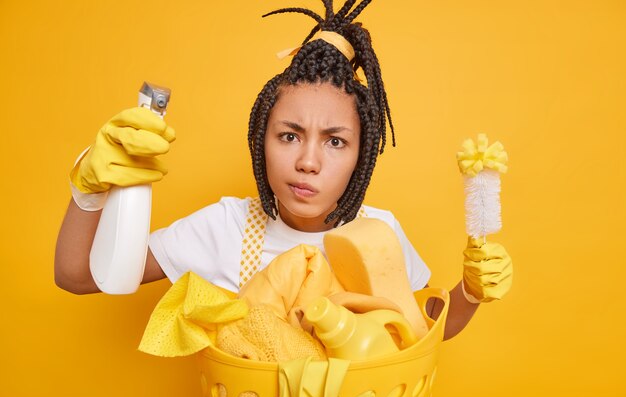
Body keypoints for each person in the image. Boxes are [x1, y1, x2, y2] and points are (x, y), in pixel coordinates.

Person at [54, 0, 512, 340]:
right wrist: (89, 191)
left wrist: (468, 294)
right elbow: (76, 276)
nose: (308, 162)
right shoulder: (225, 227)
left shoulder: (379, 233)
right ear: (261, 141)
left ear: (362, 155)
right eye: (289, 136)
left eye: (335, 142)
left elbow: (424, 331)